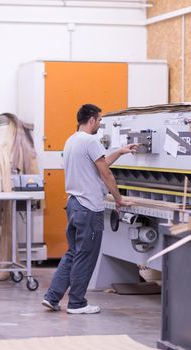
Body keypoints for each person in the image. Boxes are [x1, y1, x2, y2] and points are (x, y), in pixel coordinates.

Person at [42, 104, 138, 315]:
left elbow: (100, 164)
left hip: (74, 204)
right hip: (89, 207)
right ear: (92, 119)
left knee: (73, 253)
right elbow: (106, 174)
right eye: (100, 120)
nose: (101, 124)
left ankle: (52, 297)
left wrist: (120, 151)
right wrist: (119, 199)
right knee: (86, 256)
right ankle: (77, 303)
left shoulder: (72, 140)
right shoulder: (91, 140)